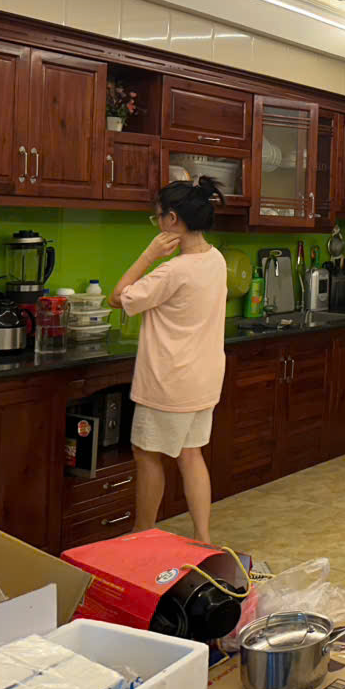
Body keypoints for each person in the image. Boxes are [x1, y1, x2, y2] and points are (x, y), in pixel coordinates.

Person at [110, 177, 227, 541]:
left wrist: (149, 255)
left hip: (169, 381)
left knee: (146, 453)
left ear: (172, 219)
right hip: (203, 380)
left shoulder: (172, 270)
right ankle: (203, 539)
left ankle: (142, 532)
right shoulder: (216, 259)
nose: (157, 223)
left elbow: (118, 297)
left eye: (158, 217)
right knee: (191, 454)